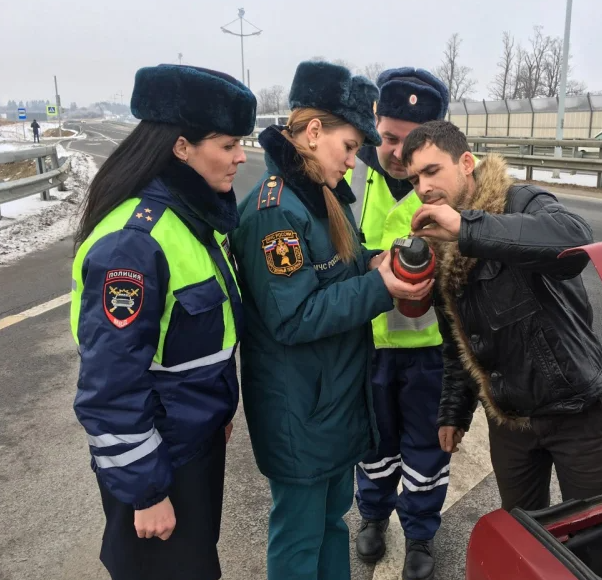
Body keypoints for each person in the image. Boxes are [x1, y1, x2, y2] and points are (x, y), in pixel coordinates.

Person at [229, 61, 434, 580]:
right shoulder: (277, 211)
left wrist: (373, 262)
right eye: (348, 146)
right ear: (315, 131)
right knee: (299, 538)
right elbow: (294, 316)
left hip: (330, 402)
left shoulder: (319, 195)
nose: (352, 160)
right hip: (300, 408)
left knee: (331, 525)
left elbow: (340, 263)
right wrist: (381, 287)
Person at [70, 64, 255, 580]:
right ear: (181, 147)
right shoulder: (134, 243)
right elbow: (109, 386)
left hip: (192, 445)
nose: (241, 156)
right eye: (228, 145)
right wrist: (147, 493)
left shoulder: (192, 220)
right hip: (159, 464)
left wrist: (216, 412)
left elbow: (196, 344)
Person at [402, 120, 602, 513]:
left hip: (578, 412)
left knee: (601, 534)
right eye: (415, 179)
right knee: (524, 534)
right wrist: (454, 410)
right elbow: (459, 341)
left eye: (432, 171)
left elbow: (574, 241)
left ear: (466, 163)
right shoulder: (440, 242)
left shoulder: (518, 201)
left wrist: (467, 228)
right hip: (510, 423)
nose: (423, 187)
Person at [345, 67, 450, 580]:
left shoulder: (447, 183)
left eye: (411, 142)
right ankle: (373, 515)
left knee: (427, 449)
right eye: (388, 137)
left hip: (429, 348)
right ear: (374, 126)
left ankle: (421, 533)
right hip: (366, 344)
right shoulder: (348, 173)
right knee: (374, 443)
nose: (397, 153)